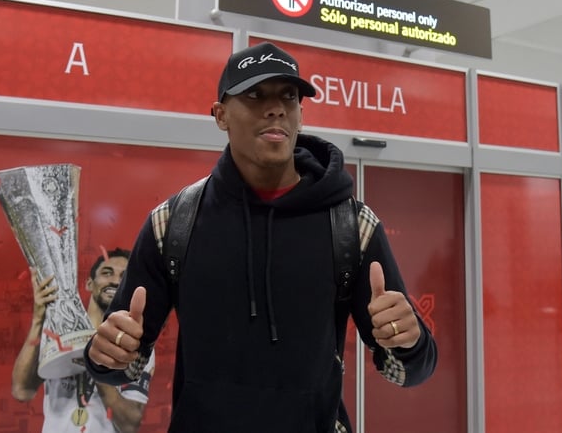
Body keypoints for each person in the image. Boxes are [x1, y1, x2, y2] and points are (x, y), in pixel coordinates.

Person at [83, 41, 437, 432]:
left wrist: (410, 342)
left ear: (301, 115)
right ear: (220, 115)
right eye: (254, 95)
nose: (276, 108)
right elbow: (118, 364)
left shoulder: (351, 225)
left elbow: (410, 370)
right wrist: (106, 355)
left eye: (289, 96)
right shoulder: (174, 222)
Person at [12, 248, 154, 433]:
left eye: (124, 277)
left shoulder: (134, 344)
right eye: (107, 273)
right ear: (89, 283)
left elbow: (130, 424)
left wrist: (97, 365)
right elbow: (21, 391)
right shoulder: (60, 331)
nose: (115, 281)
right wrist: (39, 319)